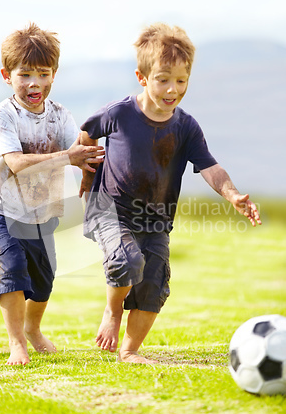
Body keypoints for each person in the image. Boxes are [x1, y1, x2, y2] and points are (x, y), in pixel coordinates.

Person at [79, 23, 261, 364]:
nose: (172, 89)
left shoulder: (186, 127)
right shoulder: (118, 114)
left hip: (156, 221)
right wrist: (88, 172)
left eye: (181, 80)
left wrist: (233, 195)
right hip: (111, 211)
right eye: (163, 79)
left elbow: (211, 168)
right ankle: (112, 310)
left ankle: (130, 351)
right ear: (143, 77)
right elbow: (87, 134)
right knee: (126, 260)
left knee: (154, 284)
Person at [0, 23, 104, 365]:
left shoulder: (60, 116)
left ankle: (33, 329)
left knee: (44, 281)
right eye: (25, 74)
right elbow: (16, 163)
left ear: (54, 74)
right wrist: (69, 158)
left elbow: (80, 152)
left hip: (41, 212)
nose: (35, 83)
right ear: (7, 75)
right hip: (0, 208)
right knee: (13, 266)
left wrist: (95, 166)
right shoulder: (2, 115)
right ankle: (17, 342)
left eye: (43, 74)